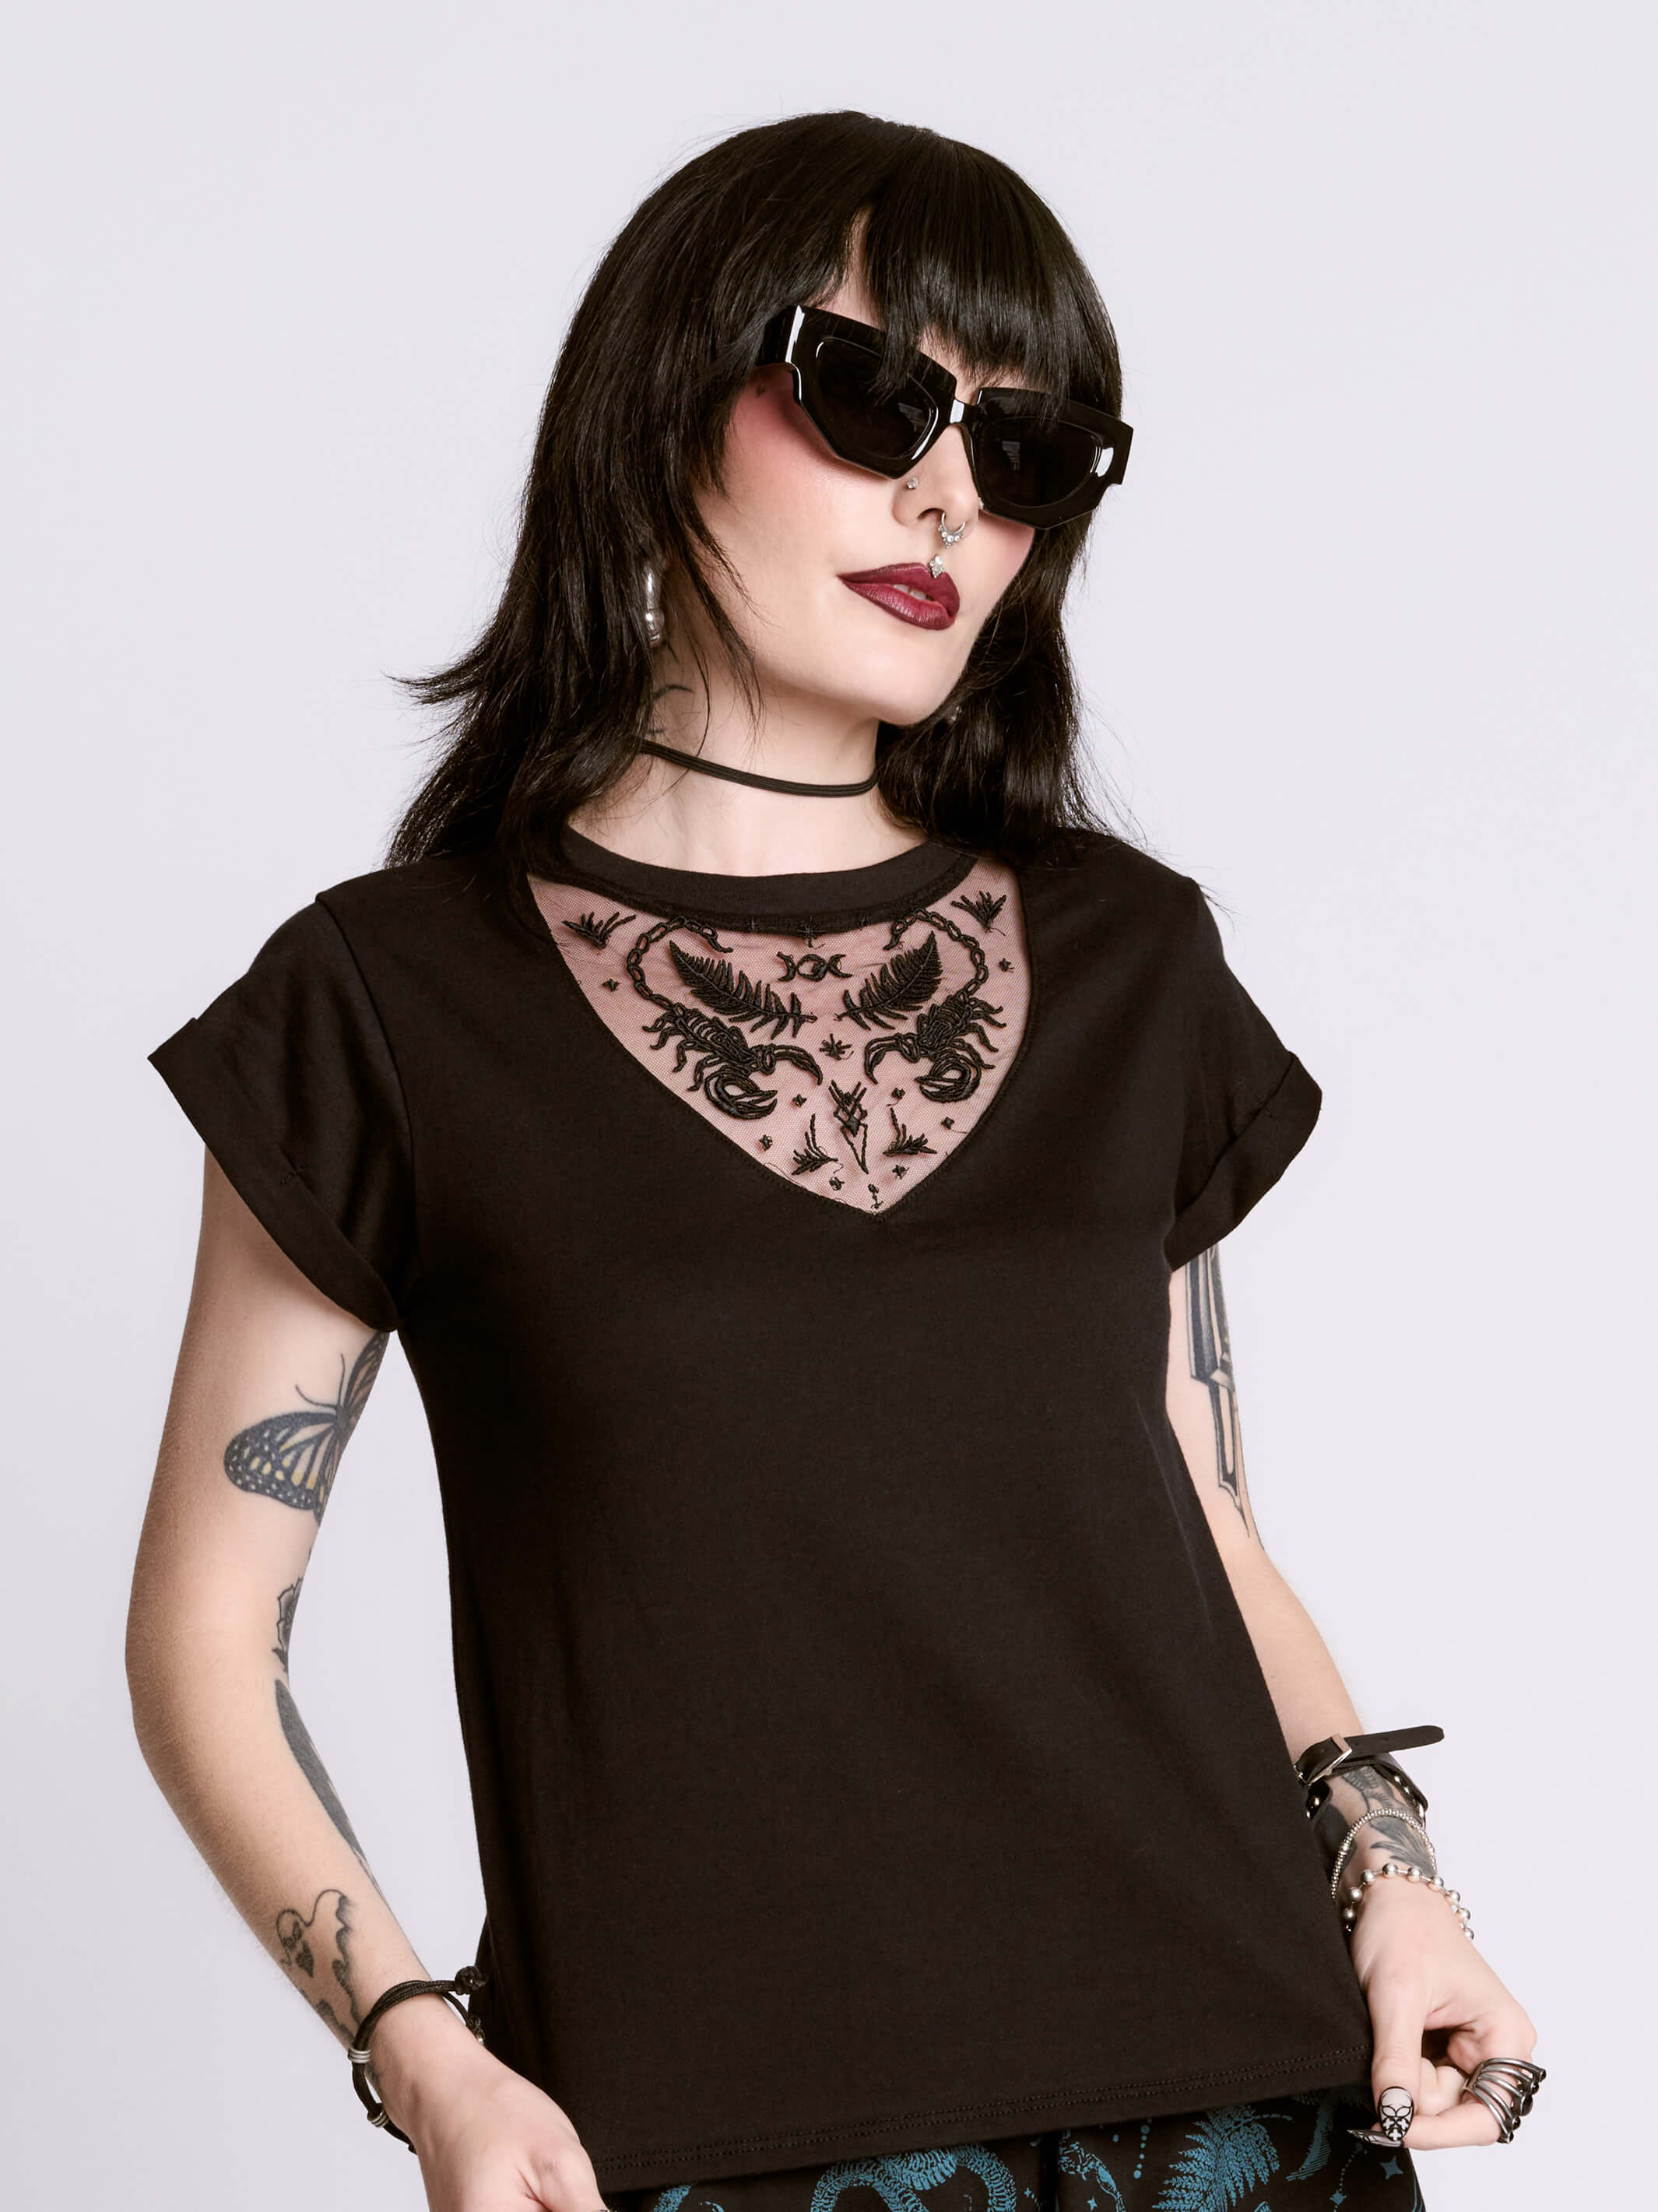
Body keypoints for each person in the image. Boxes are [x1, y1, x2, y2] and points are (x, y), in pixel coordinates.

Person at [128, 111, 1541, 2212]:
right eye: (873, 394)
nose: (950, 495)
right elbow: (202, 1639)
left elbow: (1200, 1510)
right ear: (659, 397)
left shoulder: (1125, 956)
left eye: (1029, 448)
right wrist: (425, 2056)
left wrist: (1394, 1879)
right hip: (705, 2136)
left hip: (1243, 2091)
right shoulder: (391, 1004)